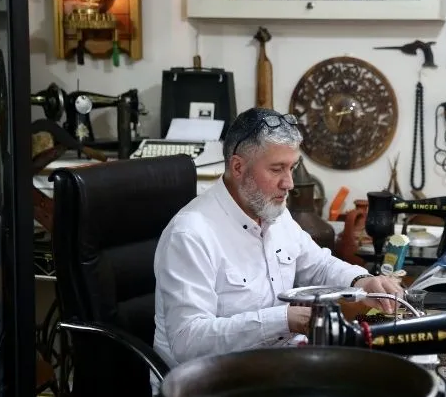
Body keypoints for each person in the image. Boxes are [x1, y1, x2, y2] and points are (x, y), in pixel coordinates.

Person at [153, 108, 402, 369]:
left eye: (292, 168)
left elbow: (318, 265)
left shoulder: (272, 212)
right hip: (212, 382)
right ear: (238, 167)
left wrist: (361, 282)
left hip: (277, 365)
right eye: (277, 169)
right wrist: (284, 320)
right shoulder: (190, 234)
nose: (289, 183)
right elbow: (188, 341)